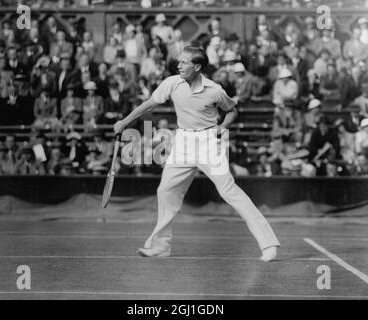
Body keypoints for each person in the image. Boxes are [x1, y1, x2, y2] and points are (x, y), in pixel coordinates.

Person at [114, 46, 280, 261]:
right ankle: (161, 246)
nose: (179, 65)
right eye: (179, 61)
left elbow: (231, 111)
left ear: (198, 67)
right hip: (183, 141)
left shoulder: (215, 90)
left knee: (229, 192)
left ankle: (268, 244)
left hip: (209, 142)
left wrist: (223, 127)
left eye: (184, 62)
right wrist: (125, 122)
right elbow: (148, 105)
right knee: (166, 190)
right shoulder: (172, 83)